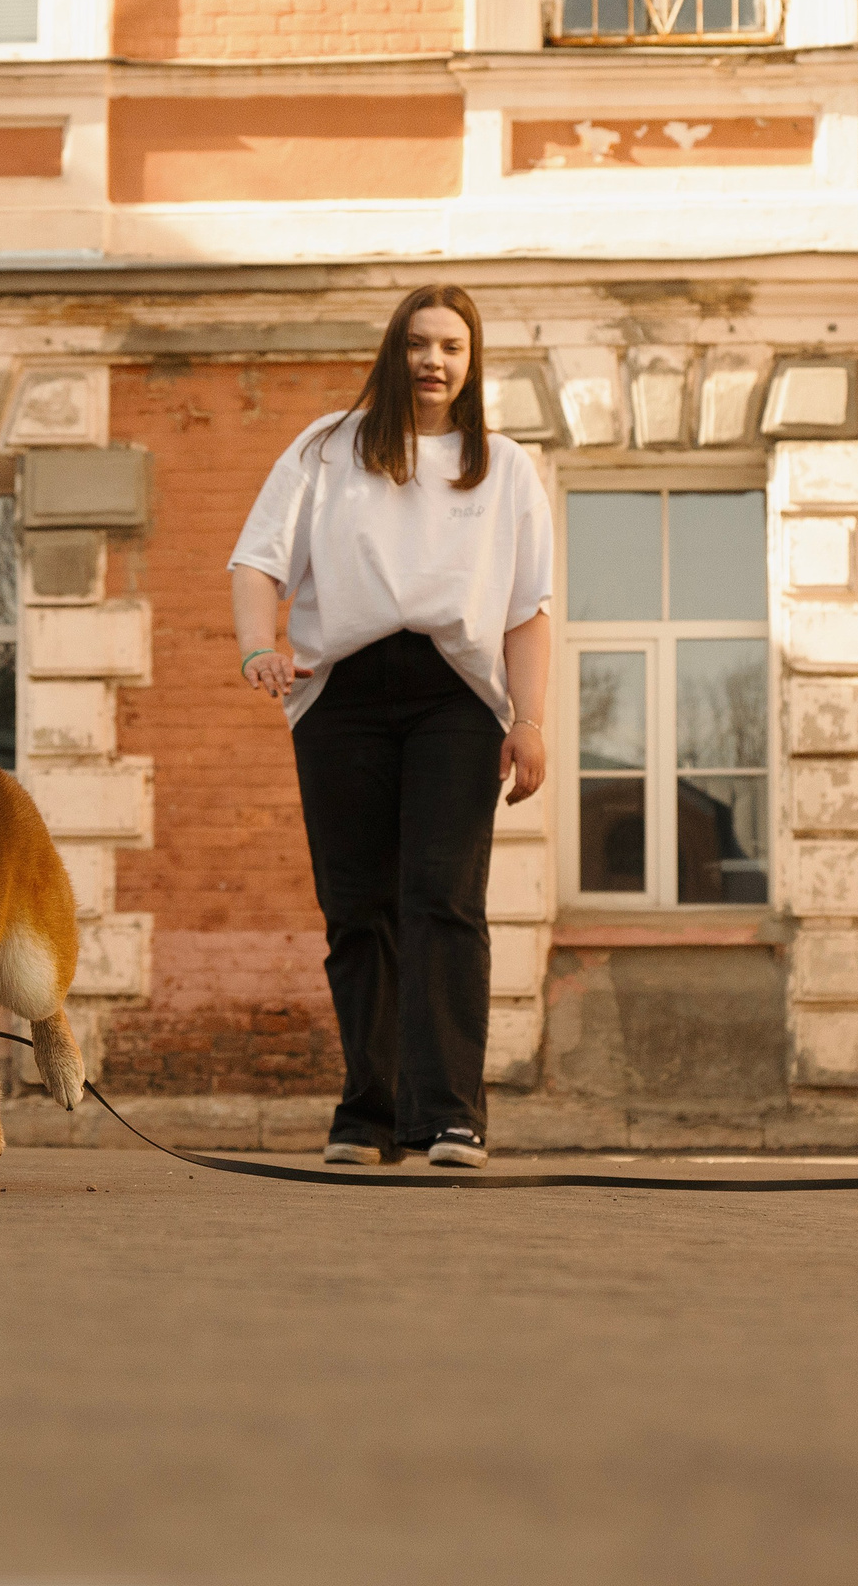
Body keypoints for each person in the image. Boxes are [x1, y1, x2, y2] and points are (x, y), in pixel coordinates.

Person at [227, 284, 553, 1169]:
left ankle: (448, 1115)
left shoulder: (507, 467)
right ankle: (368, 1115)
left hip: (455, 694)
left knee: (442, 899)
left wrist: (529, 721)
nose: (433, 361)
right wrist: (260, 646)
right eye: (418, 343)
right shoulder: (328, 449)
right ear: (393, 352)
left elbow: (527, 610)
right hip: (341, 695)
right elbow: (258, 563)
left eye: (452, 345)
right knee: (358, 907)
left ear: (472, 359)